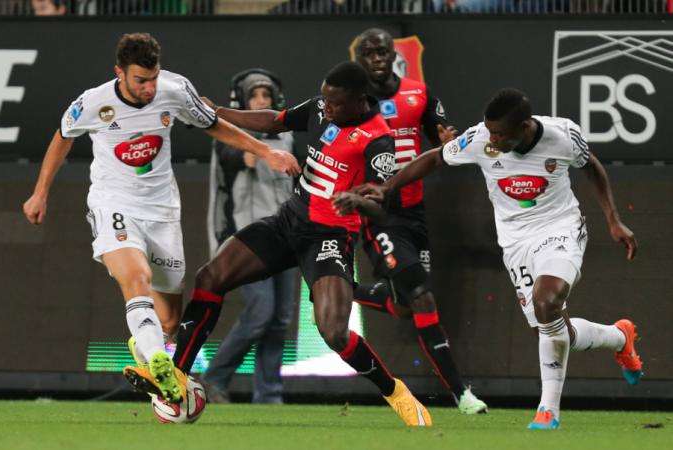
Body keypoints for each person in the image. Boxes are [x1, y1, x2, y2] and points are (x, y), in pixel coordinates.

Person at [129, 61, 433, 426]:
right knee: (210, 277)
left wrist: (359, 201)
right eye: (325, 101)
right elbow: (275, 119)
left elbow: (382, 207)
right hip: (289, 220)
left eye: (335, 104)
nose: (327, 108)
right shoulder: (324, 107)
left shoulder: (378, 140)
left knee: (334, 332)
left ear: (360, 100)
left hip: (329, 237)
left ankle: (395, 391)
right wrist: (218, 112)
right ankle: (177, 375)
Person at [22, 33, 299, 404]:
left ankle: (148, 343)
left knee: (170, 321)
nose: (150, 87)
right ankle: (159, 365)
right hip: (113, 203)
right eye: (141, 80)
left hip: (162, 211)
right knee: (137, 277)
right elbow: (62, 138)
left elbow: (213, 124)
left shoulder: (175, 89)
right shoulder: (93, 103)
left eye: (153, 78)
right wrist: (40, 192)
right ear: (119, 72)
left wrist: (264, 151)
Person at [351, 88, 642, 430]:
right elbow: (433, 158)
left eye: (500, 134)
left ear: (524, 127)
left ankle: (547, 411)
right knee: (551, 332)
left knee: (547, 302)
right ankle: (619, 337)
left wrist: (612, 218)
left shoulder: (562, 135)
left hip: (560, 227)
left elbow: (591, 166)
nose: (492, 139)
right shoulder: (480, 140)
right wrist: (388, 188)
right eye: (490, 131)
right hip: (516, 241)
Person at [350, 28, 487, 414]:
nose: (376, 58)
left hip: (415, 212)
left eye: (382, 52)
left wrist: (447, 137)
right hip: (378, 213)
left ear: (393, 55)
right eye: (369, 53)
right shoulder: (353, 102)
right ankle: (462, 394)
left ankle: (348, 290)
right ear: (360, 59)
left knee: (406, 306)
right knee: (422, 295)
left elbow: (441, 138)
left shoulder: (419, 94)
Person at [204, 69, 297, 404]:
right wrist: (263, 148)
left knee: (280, 320)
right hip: (248, 239)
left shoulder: (288, 138)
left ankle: (269, 395)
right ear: (244, 103)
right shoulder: (230, 140)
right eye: (255, 96)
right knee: (260, 312)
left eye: (266, 97)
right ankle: (213, 380)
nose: (261, 102)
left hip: (286, 235)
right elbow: (239, 157)